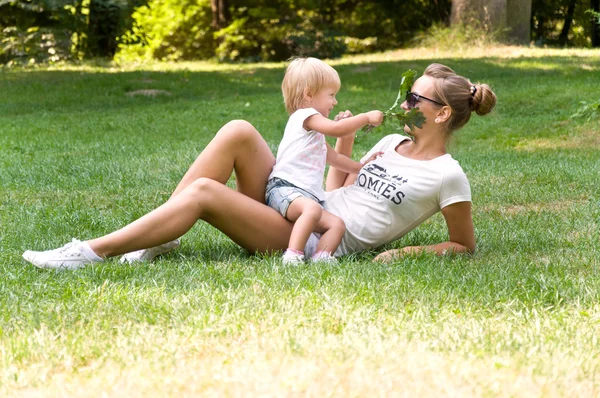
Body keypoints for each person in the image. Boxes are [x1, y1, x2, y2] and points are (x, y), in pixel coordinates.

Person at [22, 63, 496, 270]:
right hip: (303, 202)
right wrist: (346, 136)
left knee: (204, 194)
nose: (407, 100)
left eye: (417, 96)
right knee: (239, 130)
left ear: (443, 113)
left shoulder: (447, 175)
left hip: (309, 237)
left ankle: (89, 253)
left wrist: (403, 254)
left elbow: (463, 244)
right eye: (409, 93)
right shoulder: (392, 141)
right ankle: (163, 234)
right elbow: (334, 185)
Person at [266, 57, 383, 265]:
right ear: (309, 94)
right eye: (331, 95)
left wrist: (361, 167)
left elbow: (336, 159)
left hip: (305, 198)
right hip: (285, 190)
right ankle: (293, 255)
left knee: (336, 224)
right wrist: (365, 117)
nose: (335, 101)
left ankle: (322, 257)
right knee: (312, 210)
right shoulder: (305, 116)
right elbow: (337, 129)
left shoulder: (314, 137)